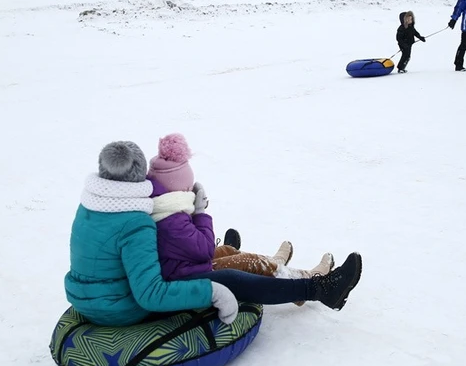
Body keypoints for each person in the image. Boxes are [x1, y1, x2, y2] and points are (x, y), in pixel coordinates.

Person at [64, 140, 363, 327]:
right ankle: (318, 289)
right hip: (120, 309)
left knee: (219, 265)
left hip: (91, 299)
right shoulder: (135, 222)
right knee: (230, 279)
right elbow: (151, 294)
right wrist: (212, 291)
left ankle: (276, 271)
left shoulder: (90, 208)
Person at [145, 133, 334, 290]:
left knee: (227, 250)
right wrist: (199, 213)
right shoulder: (171, 219)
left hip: (180, 267)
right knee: (247, 262)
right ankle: (308, 278)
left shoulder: (162, 206)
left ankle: (273, 264)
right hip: (186, 277)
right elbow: (205, 249)